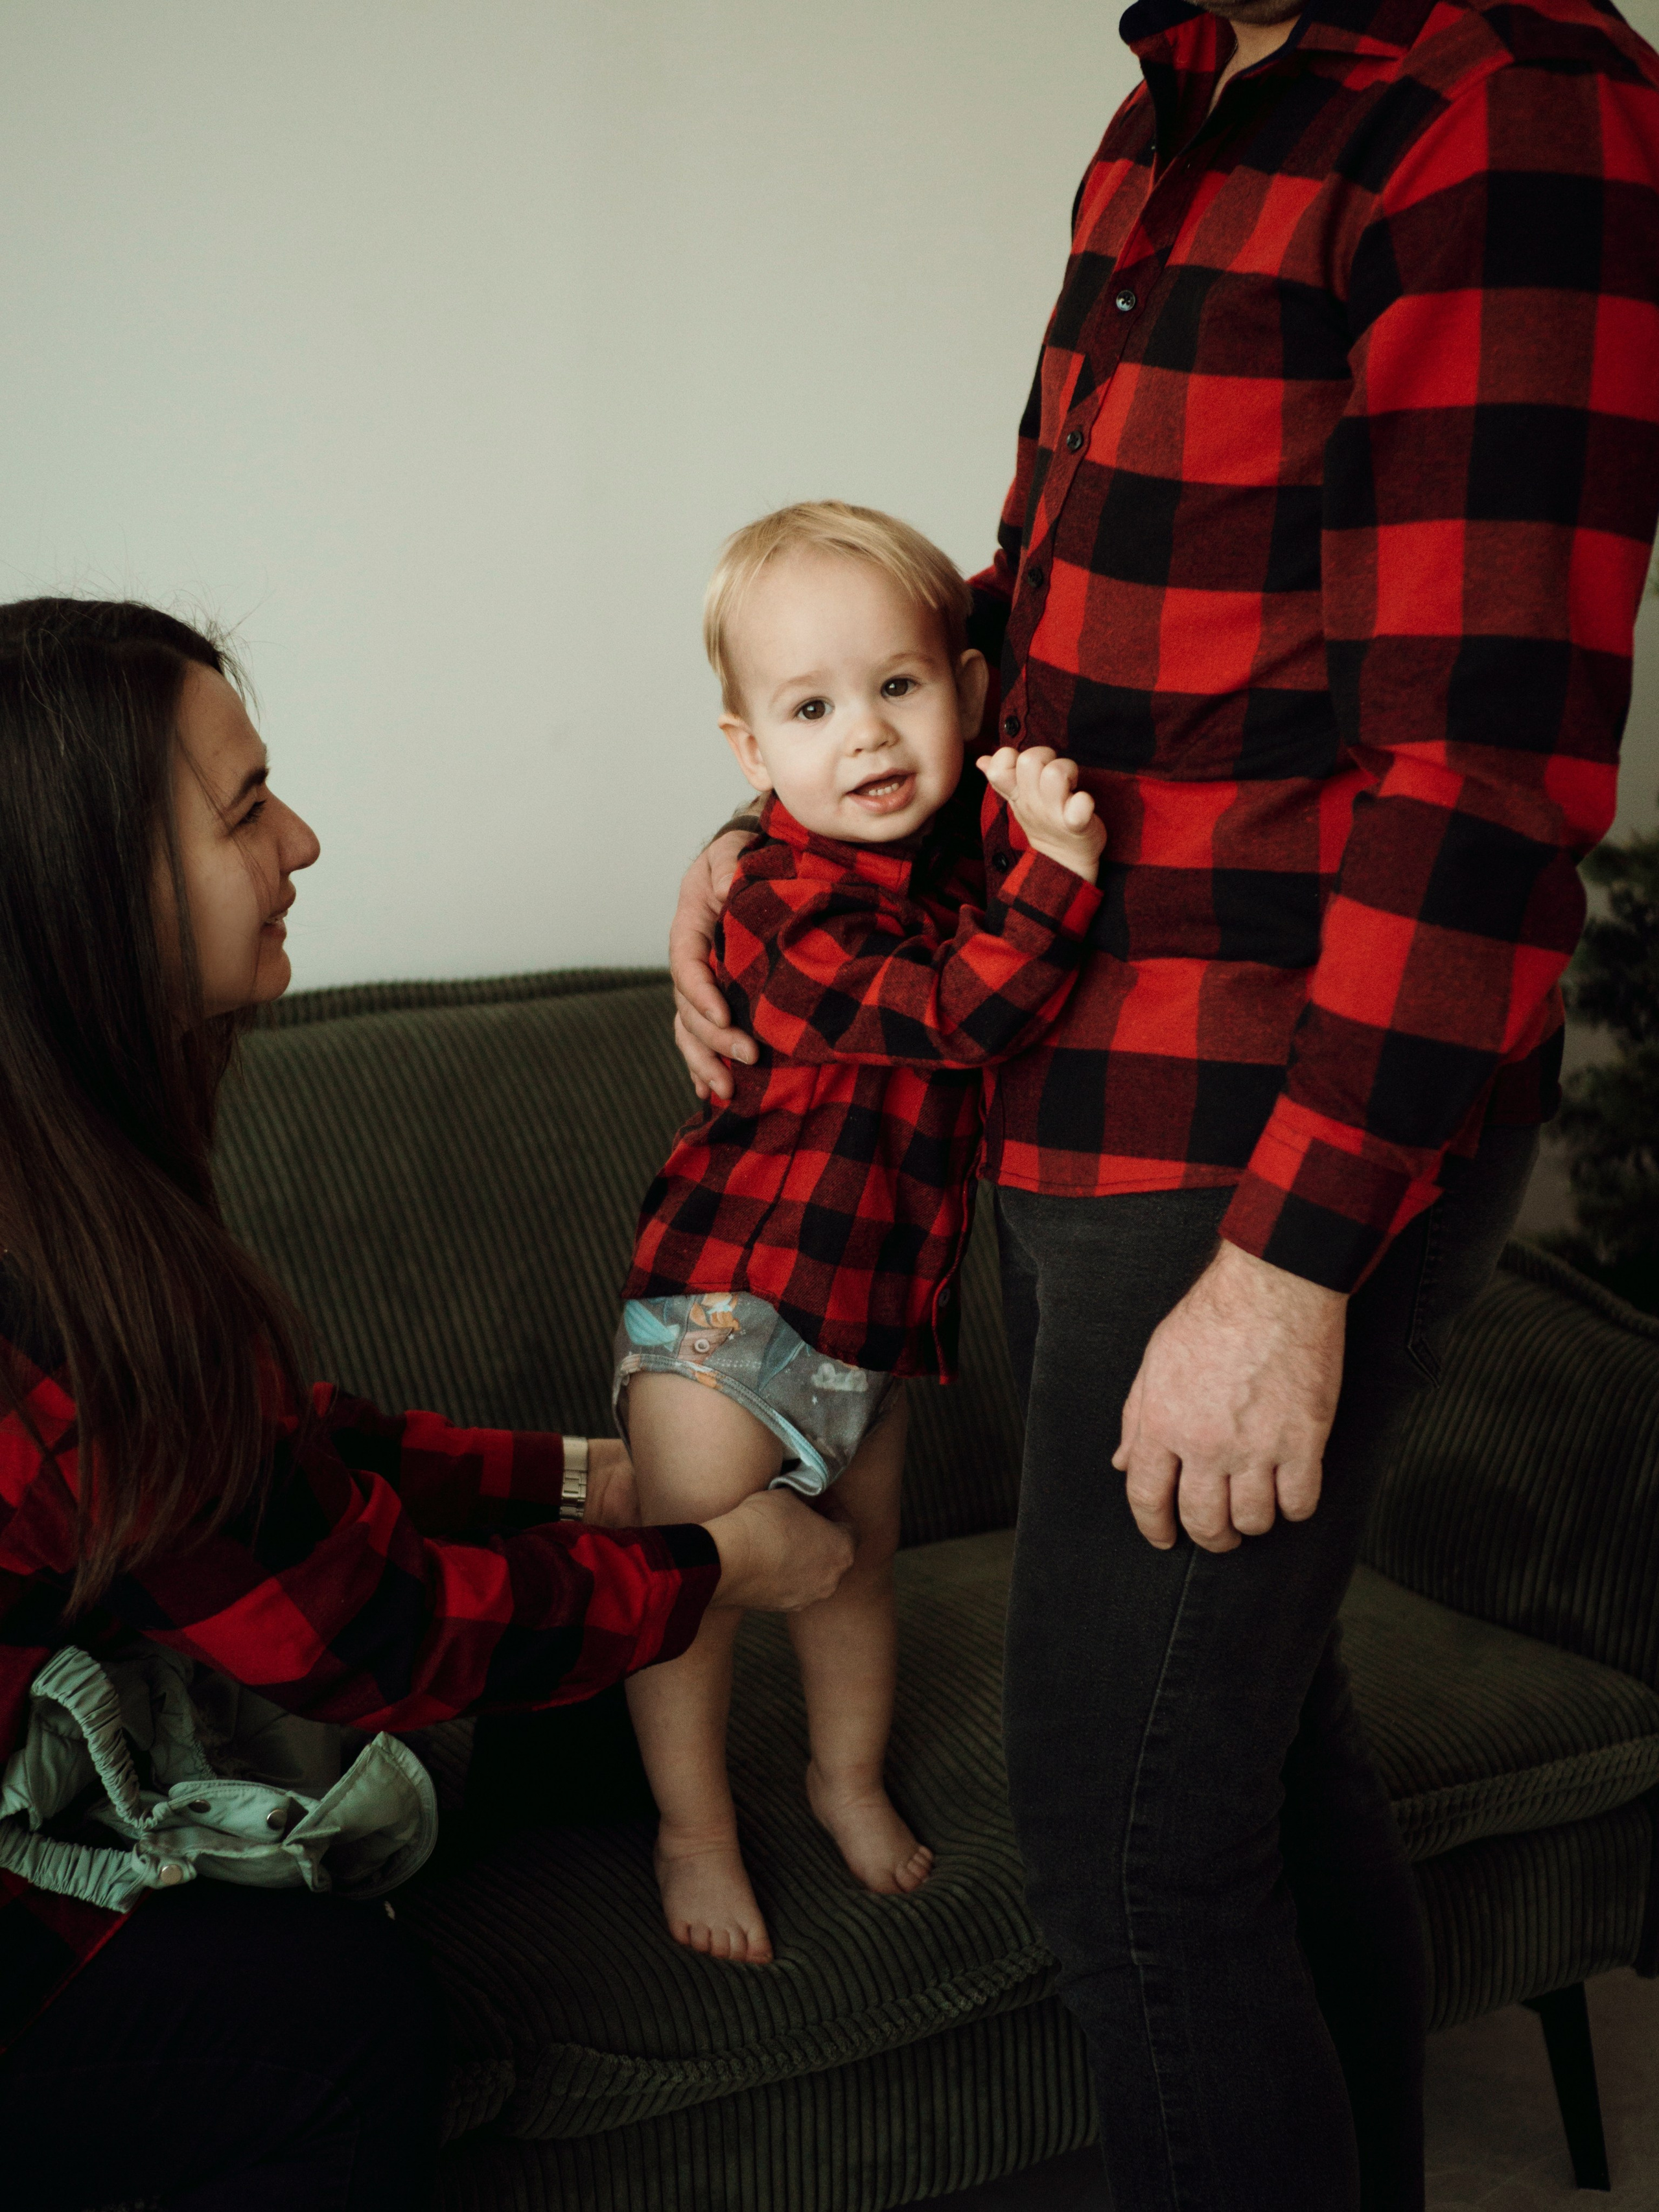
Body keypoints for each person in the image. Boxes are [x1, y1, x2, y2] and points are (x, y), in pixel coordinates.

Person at [669, 1, 1659, 2205]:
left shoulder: (1511, 99)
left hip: (1257, 1135)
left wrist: (1284, 1265)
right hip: (1092, 1089)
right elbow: (1059, 631)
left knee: (1127, 1861)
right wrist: (763, 845)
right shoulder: (1184, 105)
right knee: (1253, 1771)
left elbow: (1485, 765)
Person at [0, 597, 854, 2212]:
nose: (303, 839)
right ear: (83, 894)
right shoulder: (47, 1287)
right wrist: (717, 1567)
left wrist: (578, 1479)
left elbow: (253, 1469)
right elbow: (368, 1635)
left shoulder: (77, 1192)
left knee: (581, 1737)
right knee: (348, 2025)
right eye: (249, 808)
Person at [615, 502, 1105, 1963]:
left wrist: (1009, 847)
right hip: (729, 1311)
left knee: (854, 1565)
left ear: (963, 687)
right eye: (813, 709)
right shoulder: (774, 900)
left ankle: (842, 1780)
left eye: (897, 688)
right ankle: (692, 1828)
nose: (868, 737)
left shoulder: (941, 859)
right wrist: (1057, 873)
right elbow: (956, 1016)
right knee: (689, 1589)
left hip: (869, 1327)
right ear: (750, 754)